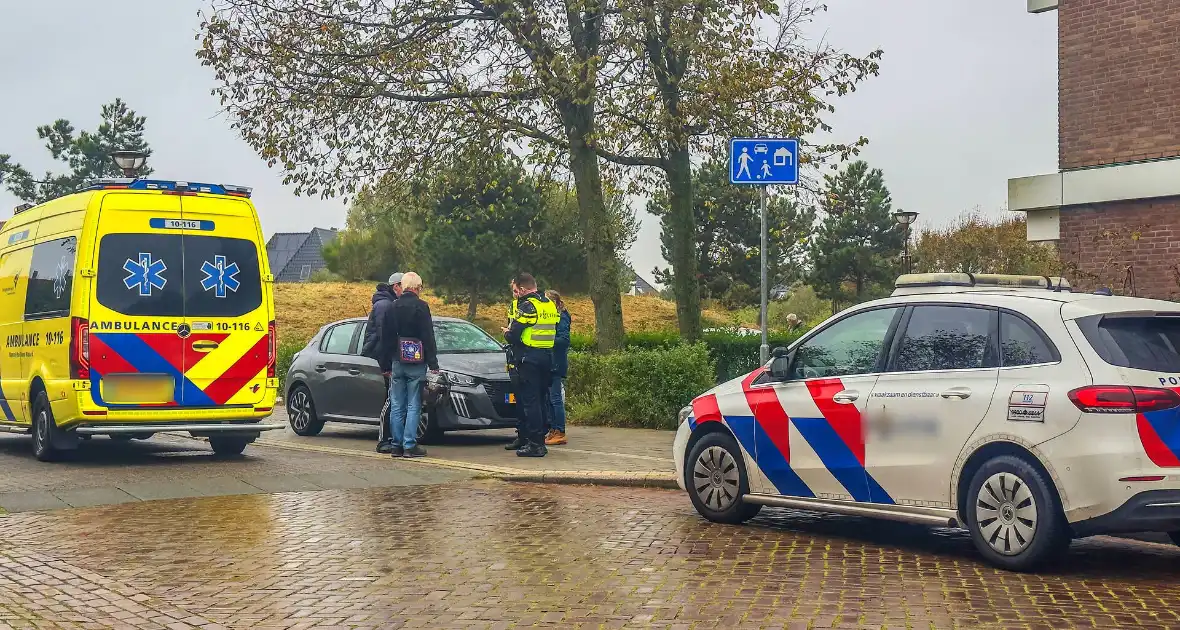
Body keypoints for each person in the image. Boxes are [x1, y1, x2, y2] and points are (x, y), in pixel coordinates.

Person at [380, 271, 439, 458]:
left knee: (397, 403)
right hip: (416, 360)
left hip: (397, 360)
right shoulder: (421, 307)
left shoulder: (392, 307)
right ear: (417, 288)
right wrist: (433, 363)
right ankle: (409, 445)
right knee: (414, 403)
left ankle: (396, 445)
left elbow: (386, 338)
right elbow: (428, 336)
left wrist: (385, 365)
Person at [502, 273, 560, 457]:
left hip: (529, 357)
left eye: (517, 290)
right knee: (542, 400)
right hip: (547, 356)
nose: (516, 294)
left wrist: (507, 333)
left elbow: (513, 334)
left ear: (523, 289)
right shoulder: (549, 304)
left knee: (531, 401)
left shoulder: (528, 306)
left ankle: (535, 444)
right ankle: (540, 440)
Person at [360, 275, 399, 453]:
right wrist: (386, 366)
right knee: (390, 400)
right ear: (395, 286)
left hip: (382, 357)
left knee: (392, 399)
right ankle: (384, 440)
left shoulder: (386, 303)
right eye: (402, 286)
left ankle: (391, 438)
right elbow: (385, 337)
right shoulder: (385, 305)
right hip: (381, 359)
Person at [543, 290, 571, 446]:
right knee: (549, 399)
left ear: (554, 302)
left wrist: (547, 339)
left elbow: (564, 340)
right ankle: (553, 429)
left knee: (555, 399)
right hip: (549, 362)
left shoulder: (562, 316)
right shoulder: (552, 317)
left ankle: (560, 431)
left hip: (556, 363)